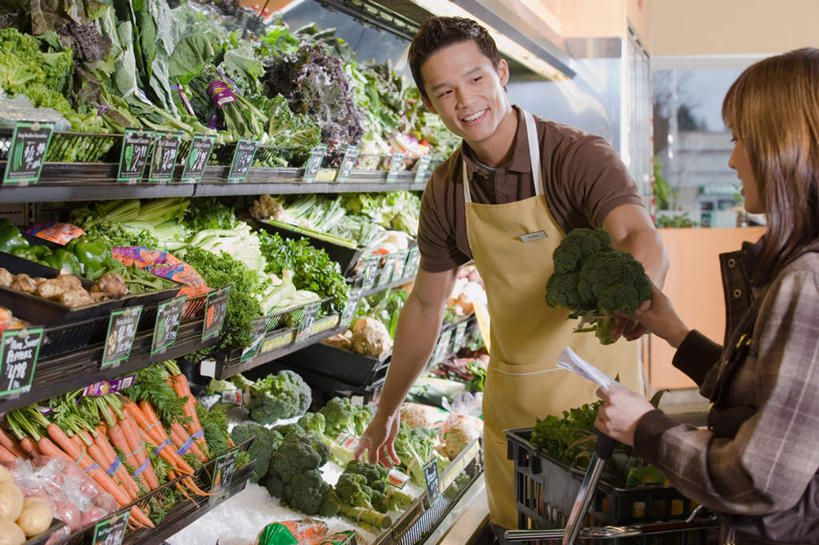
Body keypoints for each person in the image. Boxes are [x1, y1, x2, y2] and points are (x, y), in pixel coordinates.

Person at [354, 16, 668, 533]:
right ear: (430, 105)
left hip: (599, 406)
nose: (466, 101)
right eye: (445, 91)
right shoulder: (446, 189)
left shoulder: (575, 157)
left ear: (502, 73)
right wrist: (388, 408)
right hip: (513, 414)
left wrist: (634, 297)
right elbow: (426, 306)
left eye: (476, 79)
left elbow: (639, 236)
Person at [595, 48, 819, 545]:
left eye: (741, 140)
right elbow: (779, 398)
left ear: (786, 148)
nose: (733, 158)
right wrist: (674, 331)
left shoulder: (808, 281)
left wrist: (645, 429)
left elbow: (758, 479)